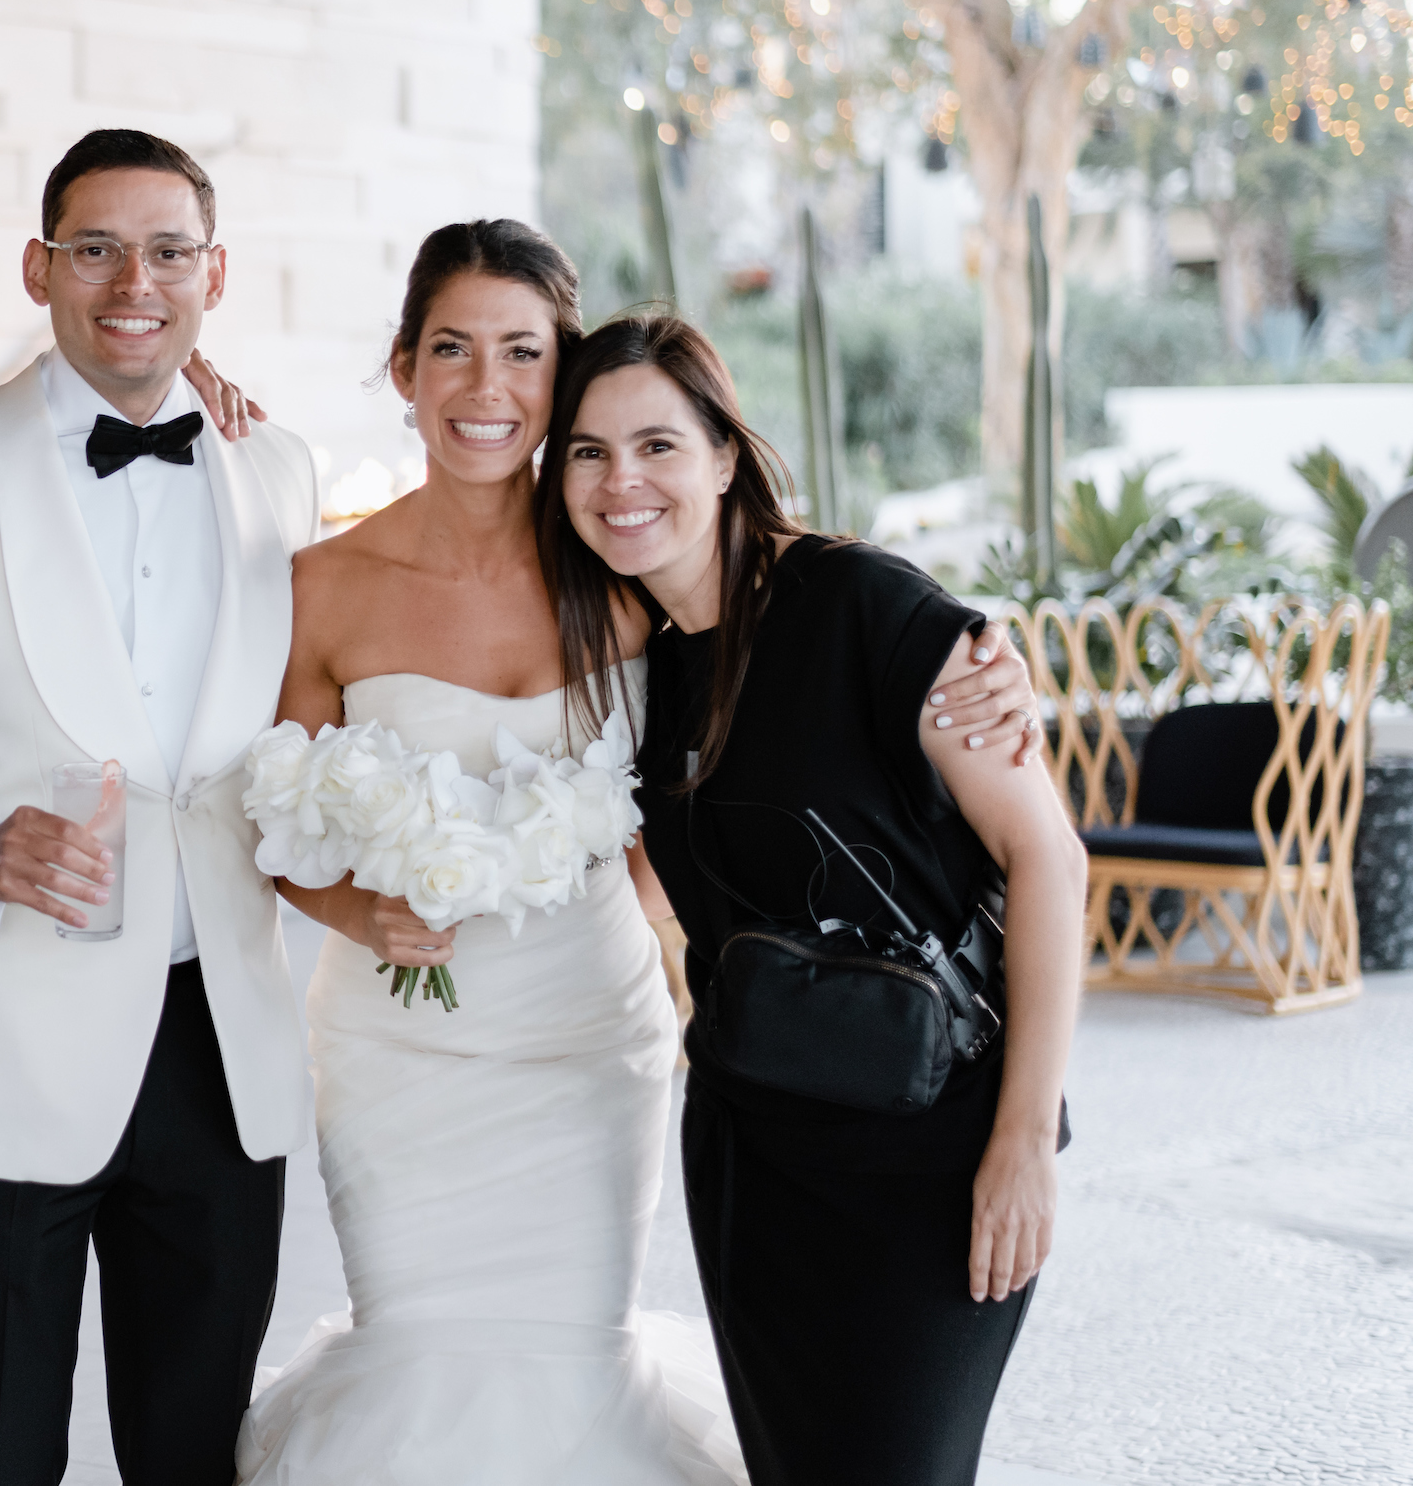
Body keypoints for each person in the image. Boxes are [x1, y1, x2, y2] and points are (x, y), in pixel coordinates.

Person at [237, 222, 1045, 1484]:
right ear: (403, 367)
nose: (487, 385)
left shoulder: (620, 567)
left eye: (523, 352)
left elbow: (777, 630)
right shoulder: (322, 584)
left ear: (562, 375)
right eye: (451, 348)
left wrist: (983, 658)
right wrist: (357, 912)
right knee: (423, 1364)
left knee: (577, 1369)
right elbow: (278, 821)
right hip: (401, 1051)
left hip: (585, 1032)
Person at [539, 313, 1086, 1486]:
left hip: (933, 1148)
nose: (622, 481)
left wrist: (1025, 1141)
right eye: (588, 452)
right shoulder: (638, 665)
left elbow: (1050, 858)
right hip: (754, 1155)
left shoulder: (861, 606)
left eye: (656, 445)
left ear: (725, 456)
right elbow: (651, 884)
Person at [0, 128, 316, 1486]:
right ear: (37, 268)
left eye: (168, 251)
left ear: (214, 274)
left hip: (221, 1046)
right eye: (96, 249)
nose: (134, 282)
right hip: (6, 1038)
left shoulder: (278, 470)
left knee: (197, 1449)